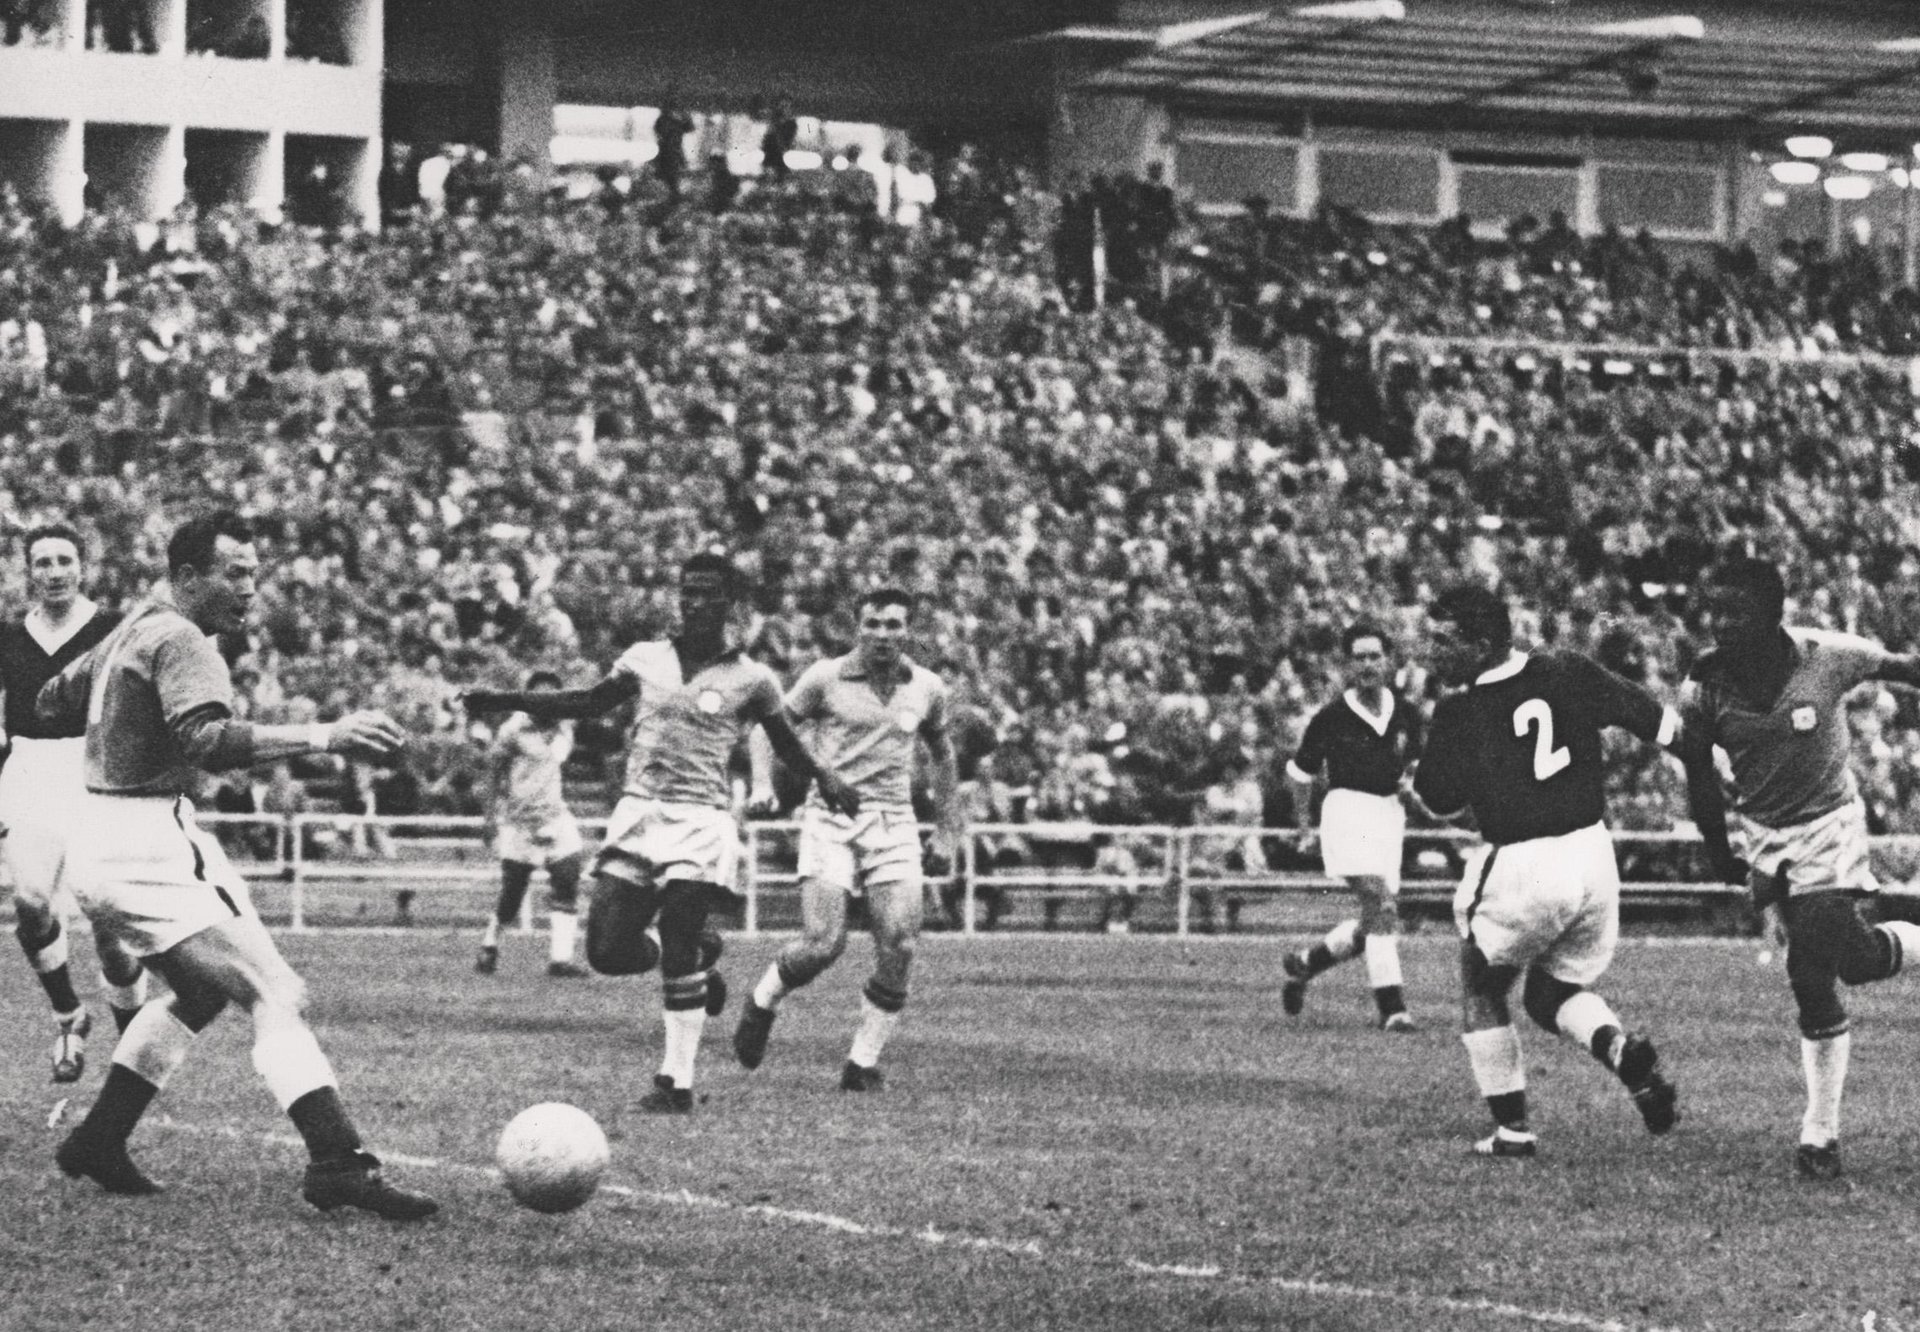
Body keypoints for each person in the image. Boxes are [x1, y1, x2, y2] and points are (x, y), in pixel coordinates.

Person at [39, 511, 437, 1218]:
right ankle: (336, 1162)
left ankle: (99, 1139)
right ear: (190, 577)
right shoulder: (181, 637)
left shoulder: (133, 626)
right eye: (235, 573)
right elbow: (207, 740)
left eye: (255, 573)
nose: (250, 588)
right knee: (274, 990)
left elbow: (52, 699)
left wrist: (120, 722)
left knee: (201, 992)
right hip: (148, 840)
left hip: (99, 837)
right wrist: (327, 734)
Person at [462, 553, 858, 1113]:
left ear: (728, 603)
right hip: (640, 812)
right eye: (687, 590)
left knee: (676, 934)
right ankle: (701, 955)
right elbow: (588, 701)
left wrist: (824, 776)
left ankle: (676, 1082)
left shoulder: (753, 679)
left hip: (700, 820)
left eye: (706, 592)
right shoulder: (644, 658)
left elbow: (786, 743)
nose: (694, 601)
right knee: (607, 951)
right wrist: (507, 699)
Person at [1412, 584, 1702, 1160]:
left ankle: (1512, 1130)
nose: (1433, 654)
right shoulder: (1568, 670)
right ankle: (1618, 1050)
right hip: (1594, 856)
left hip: (1525, 860)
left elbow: (1438, 799)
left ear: (1482, 643)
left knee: (1480, 984)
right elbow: (1660, 724)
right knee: (1549, 995)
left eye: (1444, 642)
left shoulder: (1459, 710)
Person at [1680, 557, 1920, 1182]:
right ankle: (1821, 1135)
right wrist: (1717, 847)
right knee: (1836, 969)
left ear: (1772, 615)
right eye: (1715, 612)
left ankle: (1818, 1136)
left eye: (1736, 612)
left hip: (1828, 825)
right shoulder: (1704, 686)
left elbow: (1904, 668)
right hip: (1765, 835)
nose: (1721, 624)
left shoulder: (1827, 656)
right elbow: (1699, 772)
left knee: (1812, 954)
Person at [733, 588, 959, 1090]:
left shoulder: (927, 686)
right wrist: (763, 785)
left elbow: (943, 755)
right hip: (831, 817)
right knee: (823, 943)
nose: (883, 634)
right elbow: (766, 730)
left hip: (893, 821)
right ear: (858, 627)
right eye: (873, 623)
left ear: (908, 630)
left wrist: (947, 831)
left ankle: (862, 1063)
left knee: (900, 942)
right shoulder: (825, 677)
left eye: (894, 624)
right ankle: (763, 1000)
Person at [0, 525, 150, 1083]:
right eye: (43, 562)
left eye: (65, 560)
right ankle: (68, 1015)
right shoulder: (10, 636)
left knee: (109, 927)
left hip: (95, 770)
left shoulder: (113, 628)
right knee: (31, 900)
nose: (55, 572)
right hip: (30, 770)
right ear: (28, 572)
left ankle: (133, 1041)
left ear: (83, 567)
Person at [1282, 622, 1421, 1031]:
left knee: (1376, 919)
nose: (1367, 664)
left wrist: (1412, 785)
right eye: (1359, 657)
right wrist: (1304, 827)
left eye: (1374, 656)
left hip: (1388, 816)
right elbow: (1300, 773)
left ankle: (1308, 962)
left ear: (1388, 660)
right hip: (1347, 812)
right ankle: (1393, 1010)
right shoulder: (1332, 717)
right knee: (1381, 905)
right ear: (1347, 664)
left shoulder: (1406, 712)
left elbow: (1415, 763)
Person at [474, 670, 588, 979]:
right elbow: (492, 772)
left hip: (555, 816)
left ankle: (560, 959)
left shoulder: (565, 726)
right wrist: (489, 818)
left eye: (552, 695)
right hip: (520, 821)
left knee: (567, 879)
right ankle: (490, 944)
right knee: (513, 892)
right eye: (539, 695)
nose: (546, 701)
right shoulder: (513, 729)